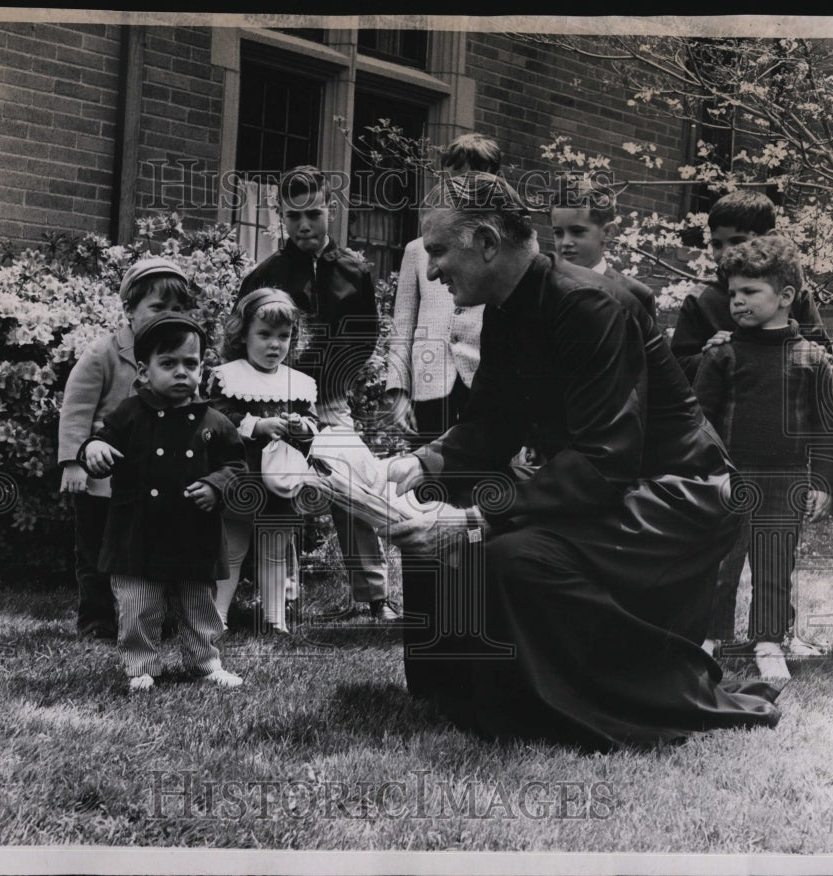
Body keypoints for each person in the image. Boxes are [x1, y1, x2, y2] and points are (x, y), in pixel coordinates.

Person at [385, 172, 782, 751]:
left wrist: (474, 521)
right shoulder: (506, 304)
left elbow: (605, 460)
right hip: (610, 483)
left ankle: (579, 703)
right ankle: (454, 691)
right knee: (435, 506)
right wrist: (421, 464)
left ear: (489, 243)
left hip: (677, 495)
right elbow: (491, 422)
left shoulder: (589, 305)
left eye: (440, 251)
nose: (433, 268)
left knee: (511, 556)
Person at [238, 165, 398, 621]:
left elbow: (365, 337)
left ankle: (373, 596)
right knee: (278, 490)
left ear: (330, 208)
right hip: (275, 399)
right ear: (281, 219)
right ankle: (280, 599)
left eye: (312, 213)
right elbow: (245, 336)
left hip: (328, 400)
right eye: (293, 217)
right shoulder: (266, 274)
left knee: (352, 483)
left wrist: (333, 384)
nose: (304, 226)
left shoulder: (354, 270)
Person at [694, 235, 833, 678]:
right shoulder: (722, 353)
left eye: (750, 292)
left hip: (787, 478)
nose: (737, 302)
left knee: (775, 564)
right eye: (733, 293)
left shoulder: (813, 359)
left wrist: (823, 483)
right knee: (718, 563)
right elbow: (697, 420)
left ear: (786, 297)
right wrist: (702, 476)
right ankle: (707, 638)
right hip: (728, 478)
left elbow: (827, 429)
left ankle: (769, 641)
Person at [78, 312, 247, 691]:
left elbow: (237, 464)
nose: (181, 372)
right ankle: (141, 667)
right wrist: (96, 448)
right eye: (168, 364)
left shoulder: (214, 422)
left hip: (194, 533)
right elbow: (101, 440)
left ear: (202, 369)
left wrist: (217, 485)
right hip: (138, 532)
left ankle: (205, 662)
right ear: (143, 370)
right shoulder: (129, 414)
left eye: (191, 363)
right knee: (138, 605)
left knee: (199, 606)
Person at [57, 257, 193, 640]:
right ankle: (96, 618)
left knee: (151, 552)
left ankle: (154, 617)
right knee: (96, 553)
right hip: (101, 478)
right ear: (130, 311)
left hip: (152, 479)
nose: (168, 316)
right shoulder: (103, 353)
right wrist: (74, 462)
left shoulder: (177, 358)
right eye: (157, 307)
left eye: (177, 309)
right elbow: (77, 408)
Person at [208, 288, 319, 635]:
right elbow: (217, 416)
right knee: (233, 548)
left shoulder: (298, 383)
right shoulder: (229, 376)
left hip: (279, 480)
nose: (275, 345)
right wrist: (257, 424)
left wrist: (302, 427)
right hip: (243, 474)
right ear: (243, 335)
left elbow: (314, 426)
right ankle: (217, 616)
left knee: (274, 549)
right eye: (265, 335)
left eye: (284, 337)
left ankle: (276, 618)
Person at [384, 133, 501, 445]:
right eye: (457, 176)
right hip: (430, 382)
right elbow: (402, 326)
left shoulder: (501, 248)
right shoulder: (418, 250)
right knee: (427, 477)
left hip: (485, 383)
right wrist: (398, 390)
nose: (464, 186)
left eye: (476, 176)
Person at [670, 190, 829, 383]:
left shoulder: (794, 294)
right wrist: (713, 354)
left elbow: (821, 352)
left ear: (770, 238)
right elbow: (677, 367)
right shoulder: (701, 298)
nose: (725, 252)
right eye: (717, 244)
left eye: (738, 241)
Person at [550, 178, 657, 320]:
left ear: (608, 233)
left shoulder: (636, 295)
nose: (565, 242)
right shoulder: (542, 288)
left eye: (577, 231)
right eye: (558, 233)